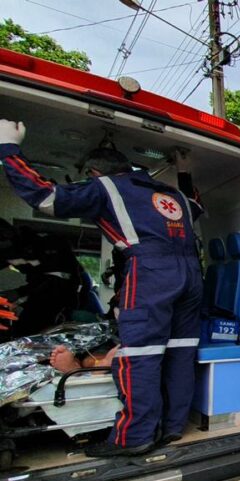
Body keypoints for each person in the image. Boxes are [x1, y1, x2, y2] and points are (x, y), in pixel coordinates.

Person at [0, 119, 203, 457]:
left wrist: (8, 147)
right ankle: (171, 428)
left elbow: (45, 197)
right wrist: (183, 170)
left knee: (139, 356)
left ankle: (134, 437)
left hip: (150, 271)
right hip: (191, 275)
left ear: (94, 172)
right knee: (181, 352)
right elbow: (196, 207)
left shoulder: (106, 187)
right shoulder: (174, 195)